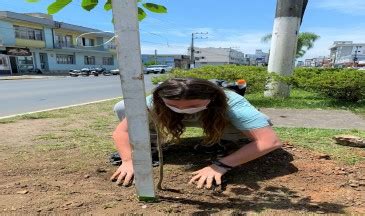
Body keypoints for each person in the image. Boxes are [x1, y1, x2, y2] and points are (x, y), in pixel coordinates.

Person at [111, 78, 282, 189]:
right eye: (175, 105)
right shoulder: (154, 102)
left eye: (191, 105)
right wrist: (128, 160)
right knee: (123, 106)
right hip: (165, 113)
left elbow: (269, 141)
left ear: (212, 98)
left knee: (261, 121)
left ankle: (227, 142)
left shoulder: (232, 102)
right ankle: (150, 144)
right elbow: (122, 131)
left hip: (220, 120)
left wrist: (221, 166)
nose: (182, 110)